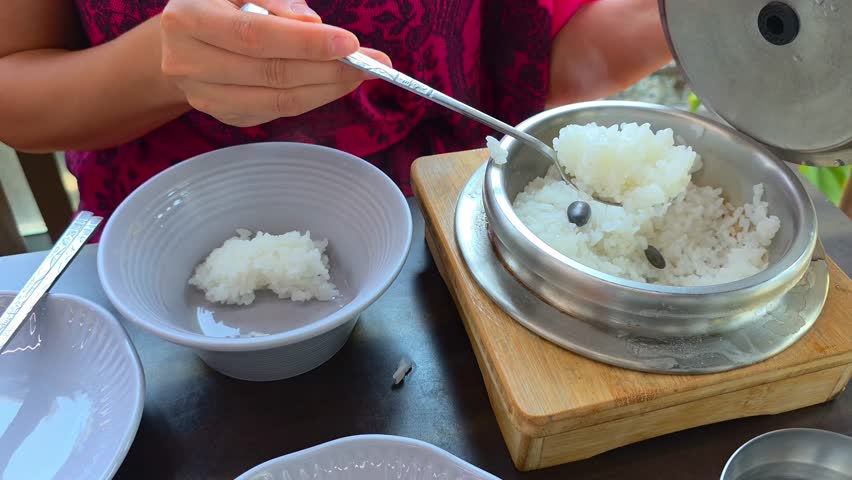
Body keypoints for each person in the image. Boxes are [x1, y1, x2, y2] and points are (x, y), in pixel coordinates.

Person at [0, 0, 671, 231]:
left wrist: (703, 25)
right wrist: (155, 71)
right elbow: (14, 85)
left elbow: (529, 47)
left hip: (452, 233)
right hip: (164, 250)